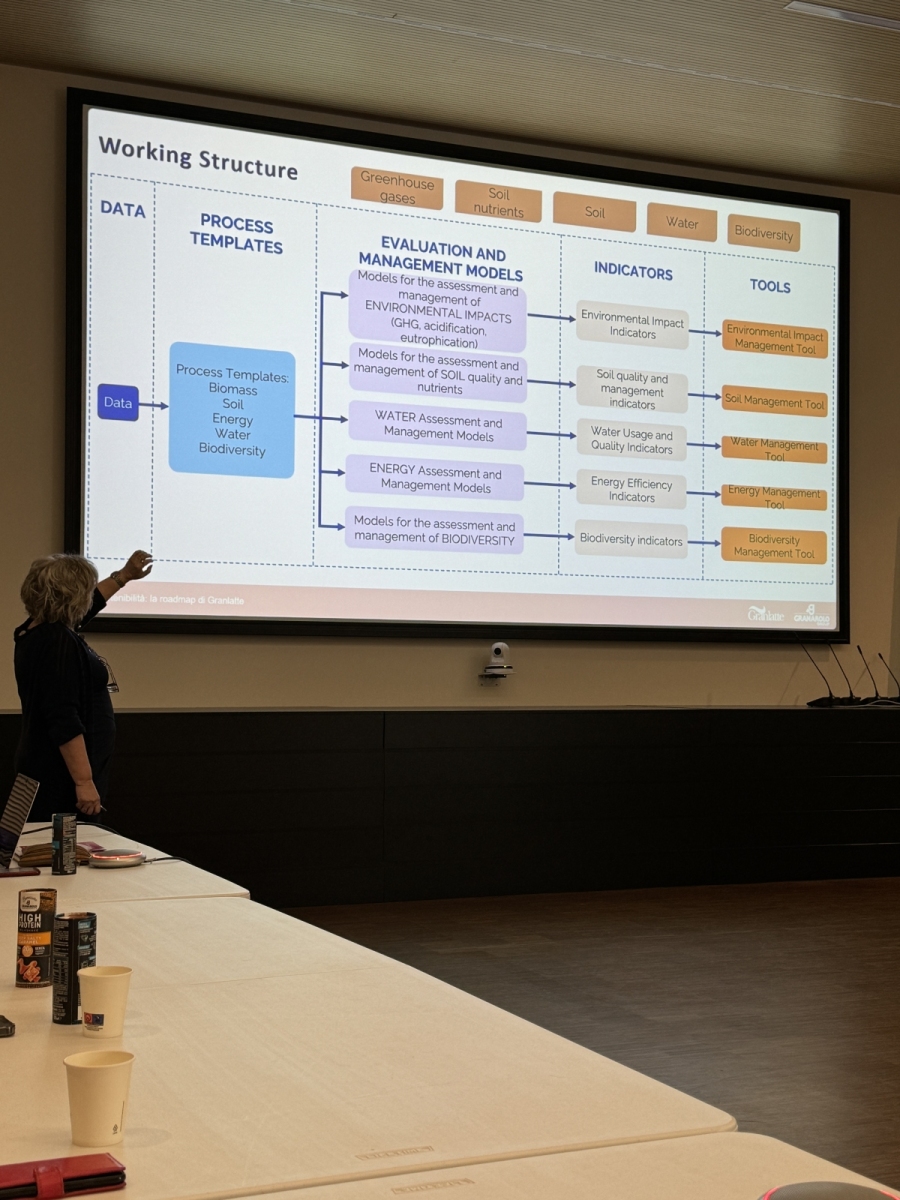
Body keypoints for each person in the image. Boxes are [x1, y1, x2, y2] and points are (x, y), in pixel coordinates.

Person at [13, 551, 153, 820]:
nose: (89, 596)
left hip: (44, 768)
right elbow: (62, 716)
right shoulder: (56, 641)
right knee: (62, 846)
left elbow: (90, 607)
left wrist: (124, 576)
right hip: (61, 780)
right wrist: (84, 781)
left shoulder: (35, 631)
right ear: (73, 596)